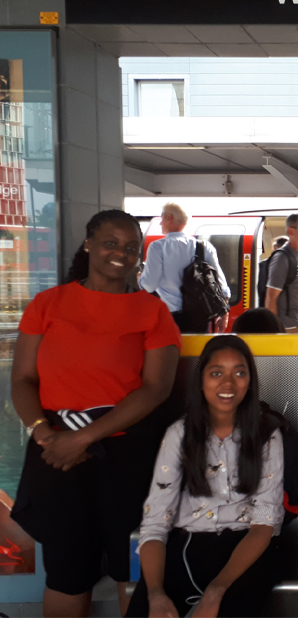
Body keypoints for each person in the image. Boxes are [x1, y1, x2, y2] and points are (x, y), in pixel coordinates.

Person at [10, 209, 181, 617]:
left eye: (131, 248)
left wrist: (83, 438)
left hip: (126, 458)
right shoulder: (47, 304)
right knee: (68, 572)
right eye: (110, 243)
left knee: (131, 570)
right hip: (55, 454)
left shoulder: (152, 312)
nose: (121, 253)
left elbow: (156, 389)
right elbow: (22, 380)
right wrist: (44, 434)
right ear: (88, 243)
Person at [126, 335, 285, 618]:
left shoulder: (266, 434)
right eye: (216, 373)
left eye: (239, 373)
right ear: (201, 380)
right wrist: (155, 594)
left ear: (250, 382)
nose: (228, 384)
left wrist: (216, 591)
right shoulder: (180, 435)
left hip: (246, 548)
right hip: (186, 544)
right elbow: (155, 525)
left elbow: (264, 524)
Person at [139, 202, 231, 333]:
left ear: (169, 218)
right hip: (201, 316)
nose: (160, 223)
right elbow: (220, 284)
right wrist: (224, 314)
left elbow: (150, 285)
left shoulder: (158, 247)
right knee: (197, 352)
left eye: (162, 219)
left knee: (173, 352)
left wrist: (140, 280)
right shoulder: (204, 247)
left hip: (170, 316)